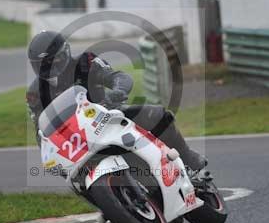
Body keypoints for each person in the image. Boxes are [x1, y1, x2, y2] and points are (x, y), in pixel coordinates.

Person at [26, 30, 206, 172]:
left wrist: (118, 91)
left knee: (157, 115)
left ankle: (187, 158)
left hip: (108, 116)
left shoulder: (85, 62)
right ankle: (110, 201)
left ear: (64, 54)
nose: (50, 68)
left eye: (54, 61)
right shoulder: (35, 93)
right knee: (68, 173)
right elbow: (40, 130)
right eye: (43, 65)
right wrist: (48, 149)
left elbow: (117, 77)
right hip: (77, 141)